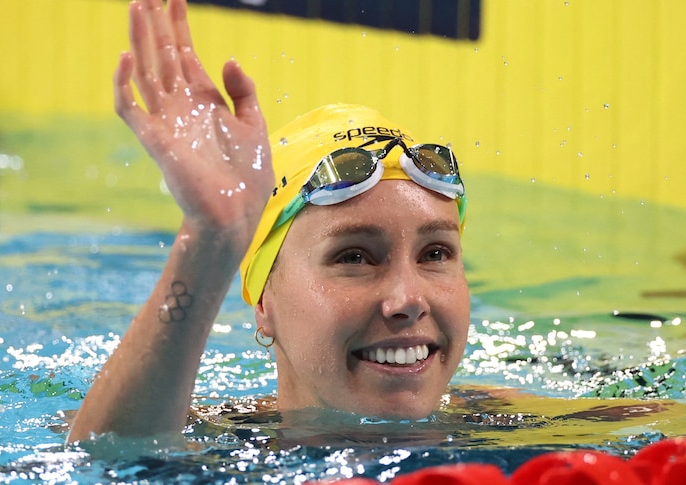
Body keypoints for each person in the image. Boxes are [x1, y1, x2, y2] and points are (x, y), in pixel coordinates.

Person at [67, 0, 470, 443]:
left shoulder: (519, 423)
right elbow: (105, 458)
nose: (408, 300)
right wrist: (210, 241)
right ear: (264, 305)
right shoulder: (212, 441)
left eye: (435, 253)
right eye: (353, 257)